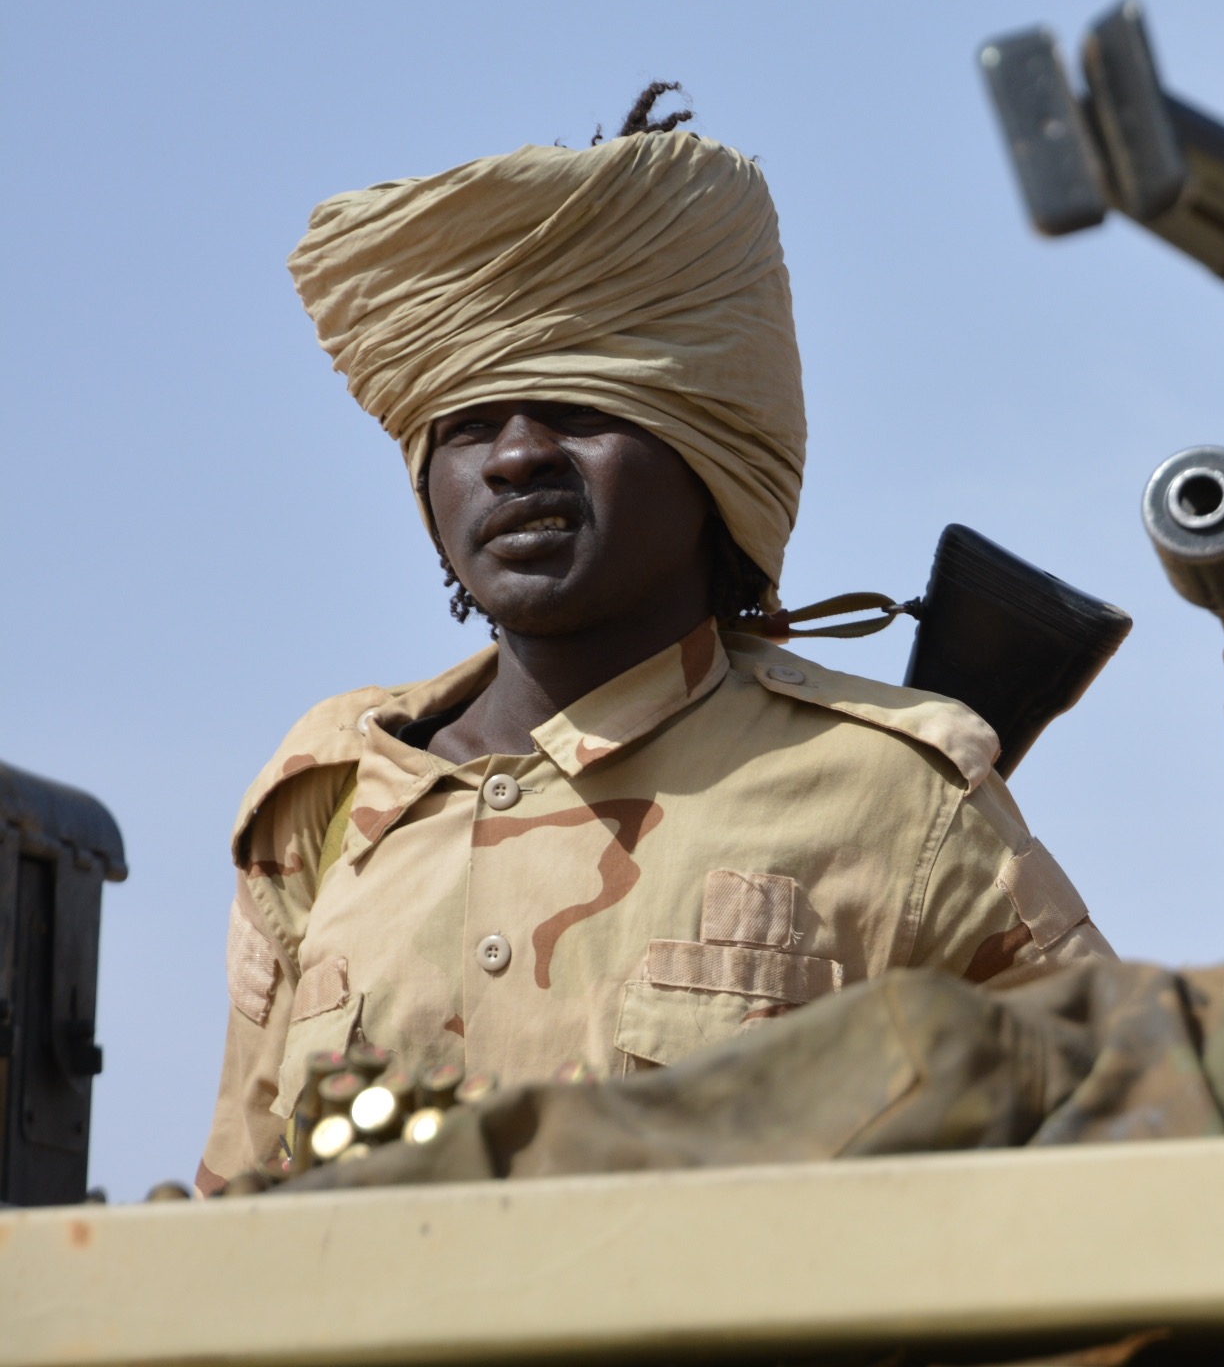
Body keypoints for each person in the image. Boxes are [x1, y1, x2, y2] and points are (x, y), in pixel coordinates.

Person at [198, 90, 1105, 1192]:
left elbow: (1127, 1148)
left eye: (580, 408)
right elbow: (232, 1222)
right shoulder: (329, 798)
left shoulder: (893, 795)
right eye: (472, 420)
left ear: (710, 449)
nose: (517, 454)